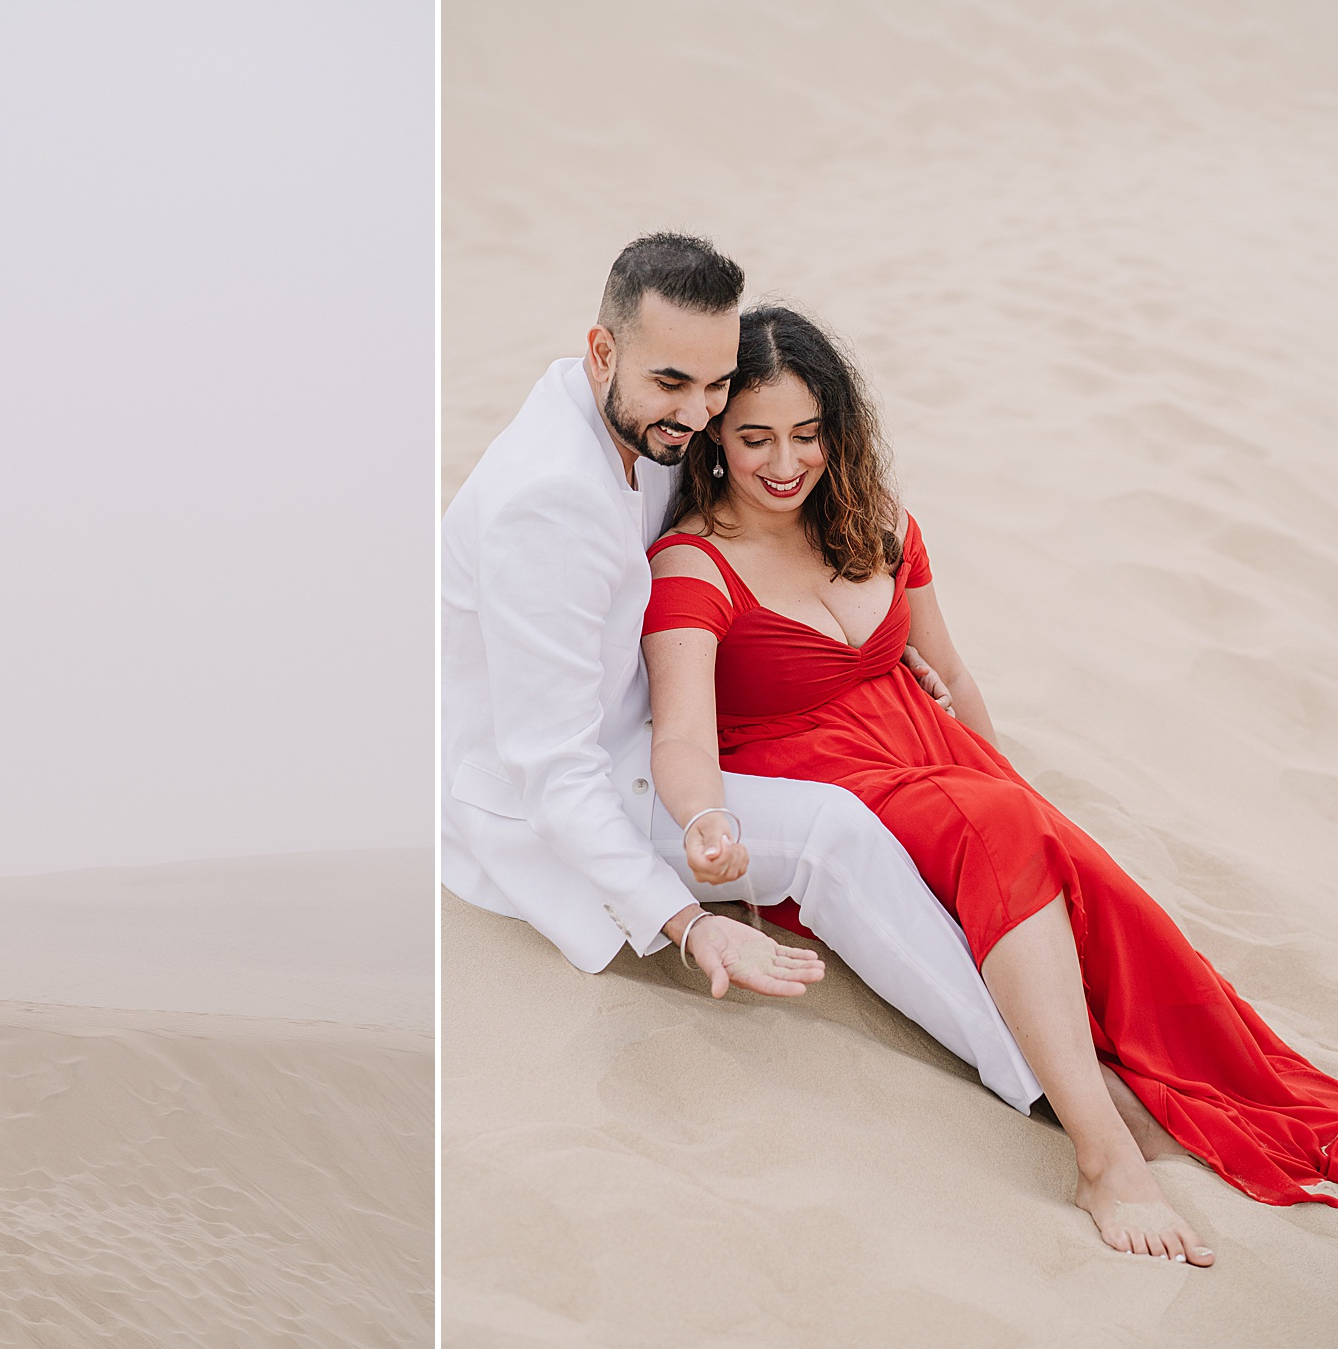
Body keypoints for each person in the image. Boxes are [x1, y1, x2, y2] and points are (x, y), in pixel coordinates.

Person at [642, 303, 1338, 1267]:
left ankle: (1164, 1096)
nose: (785, 463)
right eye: (755, 437)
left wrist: (998, 768)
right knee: (1007, 831)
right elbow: (679, 732)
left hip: (945, 761)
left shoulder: (875, 522)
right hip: (831, 780)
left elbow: (954, 674)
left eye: (809, 434)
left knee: (1118, 921)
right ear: (716, 434)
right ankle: (1104, 1159)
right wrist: (705, 816)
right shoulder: (694, 561)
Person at [442, 232, 1041, 1110]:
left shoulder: (629, 415)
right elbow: (553, 771)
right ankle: (1034, 1079)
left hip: (667, 730)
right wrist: (690, 926)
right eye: (671, 384)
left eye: (714, 383)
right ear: (601, 349)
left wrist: (868, 649)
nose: (694, 415)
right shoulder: (546, 508)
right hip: (567, 797)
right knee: (836, 836)